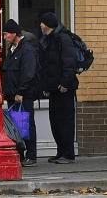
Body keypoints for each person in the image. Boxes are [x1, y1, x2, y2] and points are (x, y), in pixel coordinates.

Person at [39, 12, 78, 164]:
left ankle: (68, 154)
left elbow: (69, 63)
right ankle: (60, 151)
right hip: (54, 87)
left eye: (42, 23)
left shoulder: (63, 38)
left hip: (64, 89)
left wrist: (65, 84)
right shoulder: (49, 39)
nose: (40, 25)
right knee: (55, 121)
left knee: (65, 121)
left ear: (48, 24)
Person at [1, 18, 38, 166]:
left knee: (25, 125)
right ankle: (21, 154)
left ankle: (31, 154)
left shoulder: (26, 49)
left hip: (22, 96)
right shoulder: (13, 49)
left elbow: (28, 73)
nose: (4, 37)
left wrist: (21, 92)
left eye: (6, 34)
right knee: (17, 125)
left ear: (14, 33)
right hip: (13, 95)